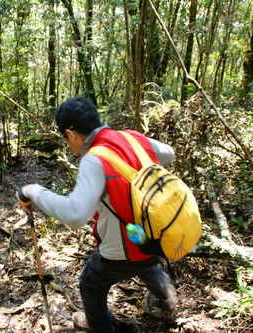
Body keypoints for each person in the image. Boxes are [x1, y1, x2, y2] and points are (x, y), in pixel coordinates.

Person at [16, 97, 179, 332]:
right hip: (153, 236)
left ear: (70, 134)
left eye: (65, 138)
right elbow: (169, 154)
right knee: (146, 262)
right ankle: (169, 298)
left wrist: (34, 191)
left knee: (90, 282)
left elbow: (75, 215)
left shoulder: (94, 159)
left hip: (121, 248)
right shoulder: (132, 137)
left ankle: (99, 326)